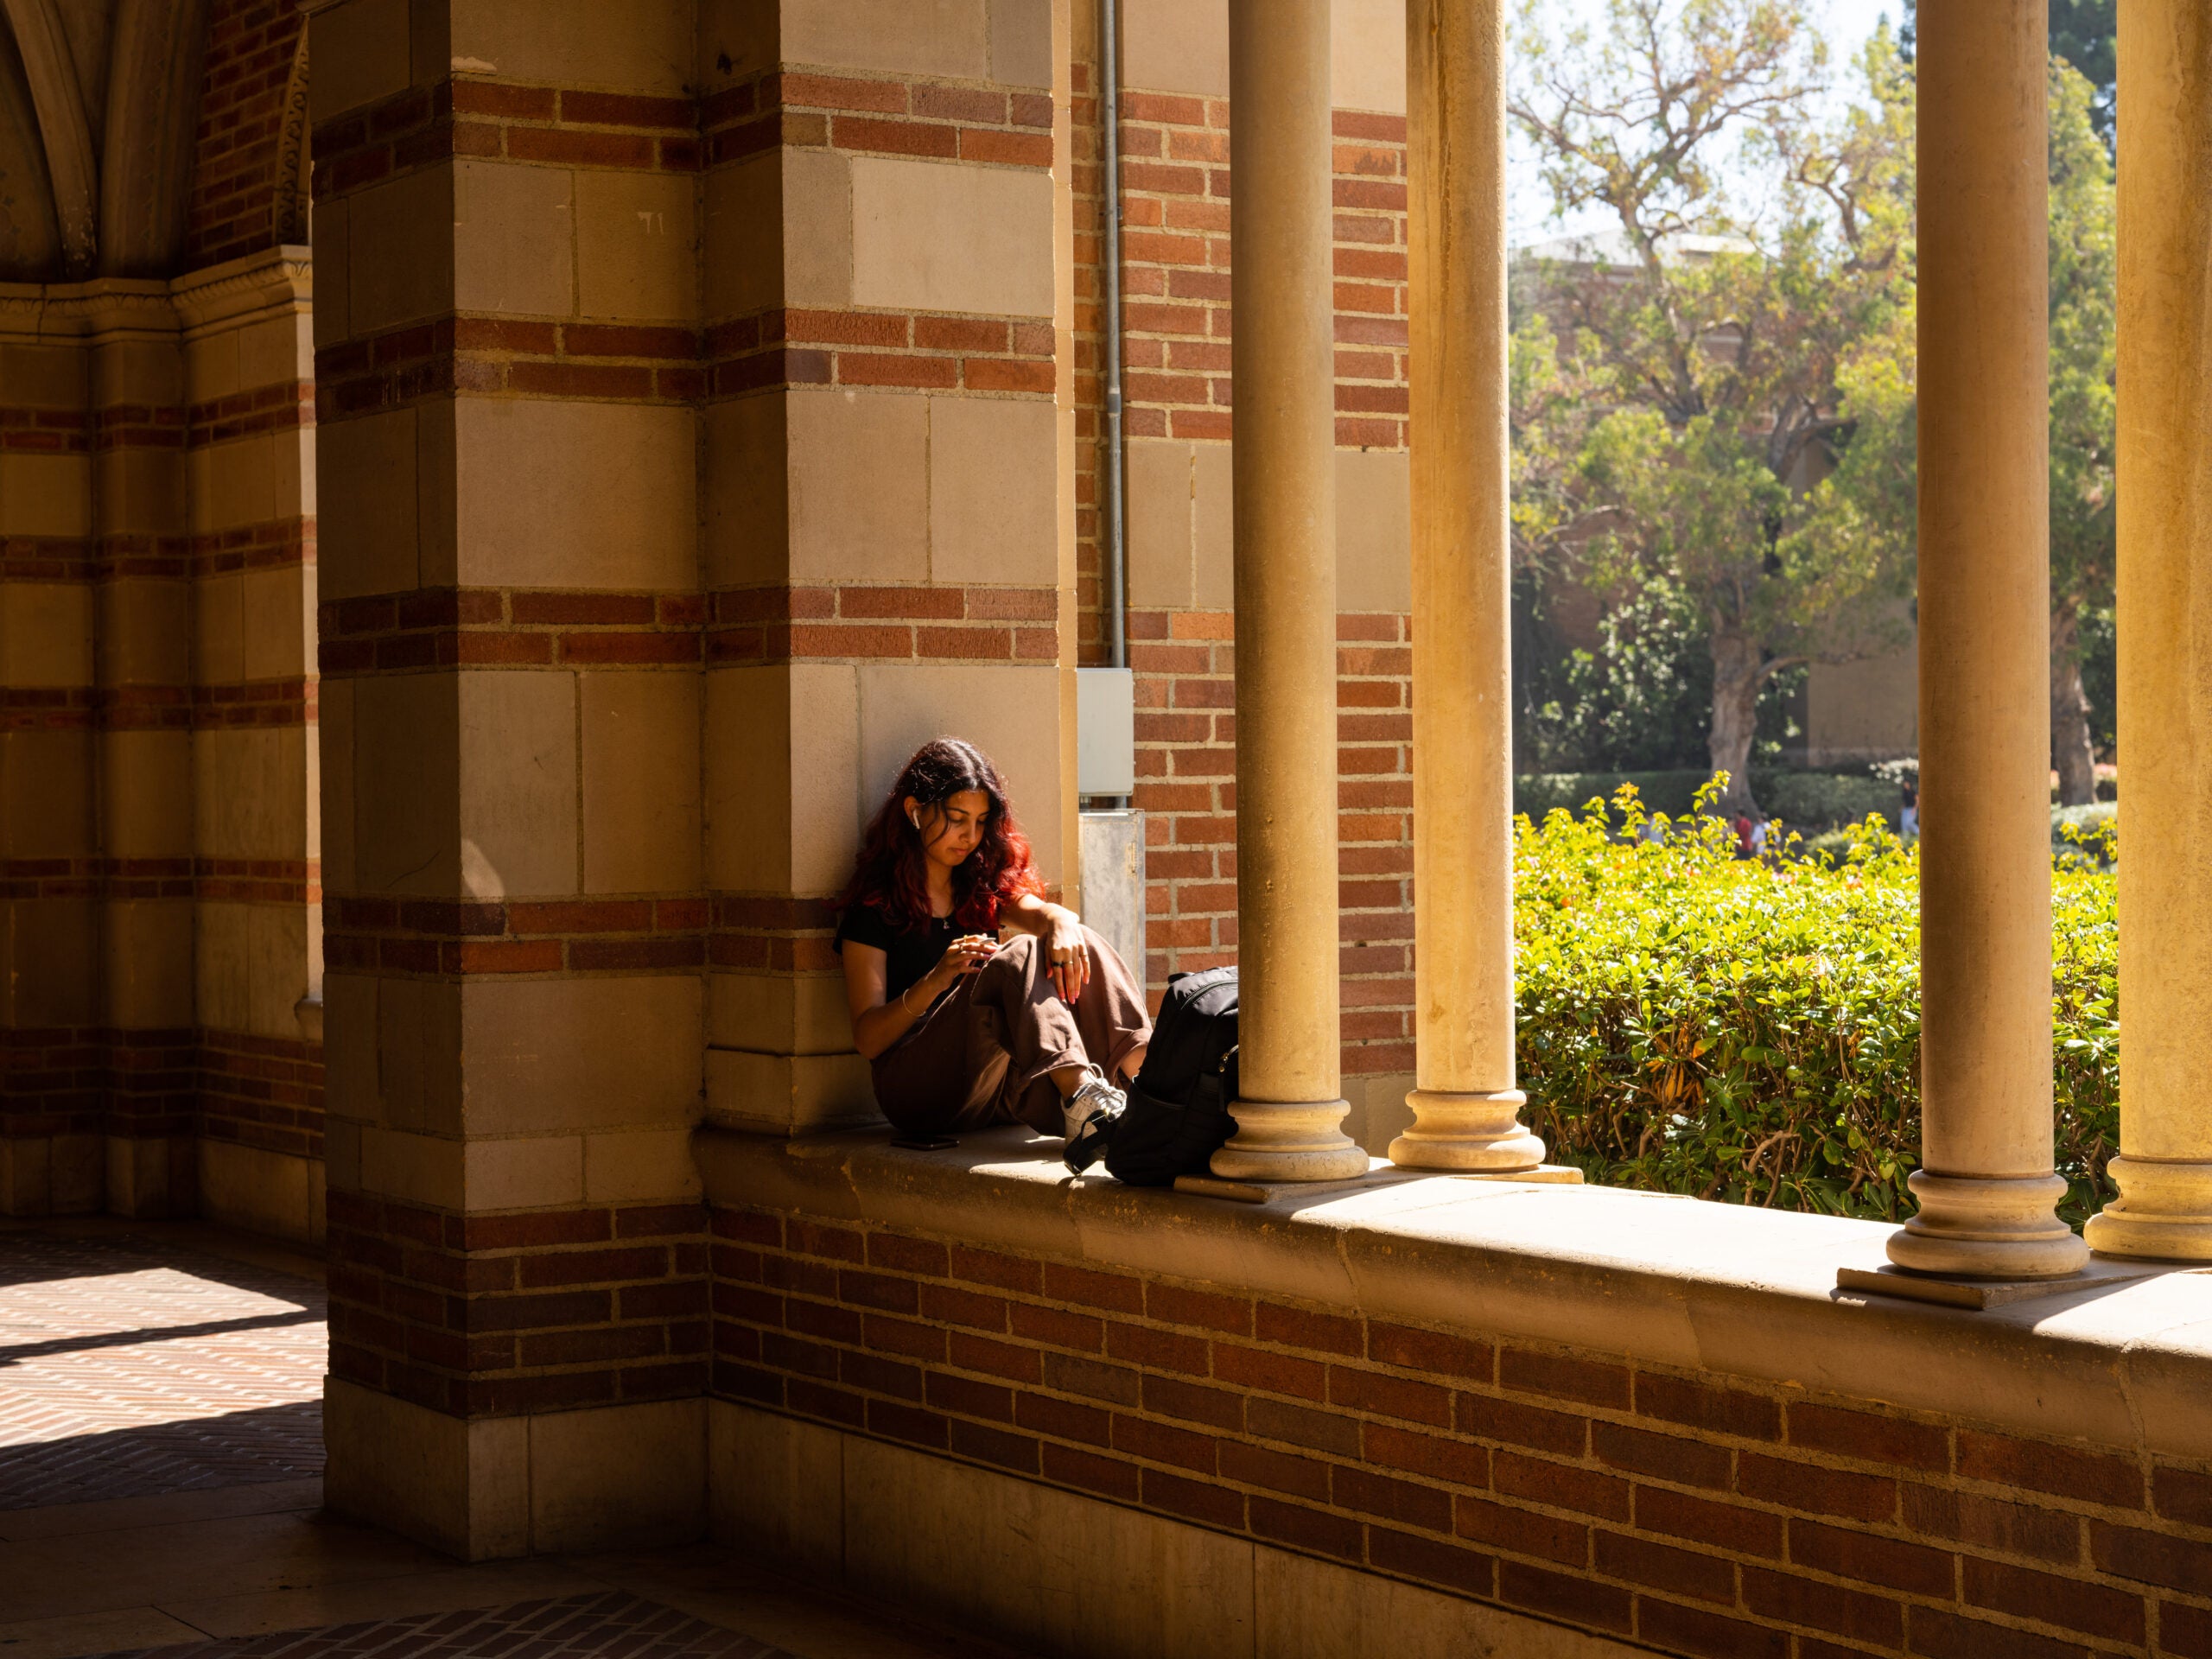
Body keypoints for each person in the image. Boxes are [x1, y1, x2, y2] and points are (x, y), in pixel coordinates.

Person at [835, 737, 1152, 1173]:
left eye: (982, 821)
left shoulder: (977, 889)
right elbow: (867, 1040)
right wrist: (937, 980)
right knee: (1018, 953)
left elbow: (1042, 915)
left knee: (1077, 938)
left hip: (993, 1092)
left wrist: (1061, 923)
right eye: (957, 819)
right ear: (914, 811)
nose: (970, 836)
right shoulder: (874, 908)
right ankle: (1082, 1099)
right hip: (917, 1095)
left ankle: (1153, 1088)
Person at [1899, 778, 1918, 842]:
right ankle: (1905, 840)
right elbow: (1905, 802)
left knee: (1909, 823)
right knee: (1904, 824)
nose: (1905, 785)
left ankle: (1918, 833)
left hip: (1911, 809)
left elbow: (1918, 801)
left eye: (1906, 783)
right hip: (1905, 810)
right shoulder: (1904, 792)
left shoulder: (1913, 791)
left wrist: (1914, 809)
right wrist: (1901, 808)